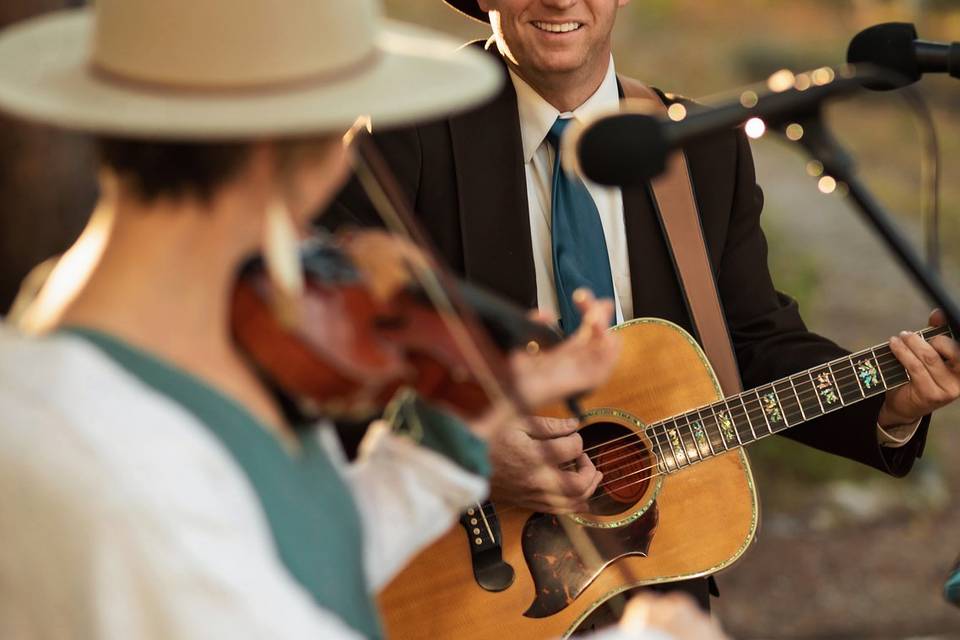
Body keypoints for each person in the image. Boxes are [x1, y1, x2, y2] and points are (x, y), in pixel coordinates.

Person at [0, 1, 732, 639]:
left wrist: (457, 426)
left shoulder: (140, 349)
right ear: (292, 151)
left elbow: (299, 554)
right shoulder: (107, 459)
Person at [326, 0, 960, 611]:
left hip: (657, 569)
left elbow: (754, 341)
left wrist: (889, 402)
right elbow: (315, 345)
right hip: (462, 572)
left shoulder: (701, 145)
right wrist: (461, 447)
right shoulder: (399, 135)